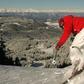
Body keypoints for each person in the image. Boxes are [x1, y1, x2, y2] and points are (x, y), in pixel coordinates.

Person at [55, 15, 84, 80]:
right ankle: (81, 63)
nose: (63, 28)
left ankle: (78, 65)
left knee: (74, 47)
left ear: (62, 24)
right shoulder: (71, 21)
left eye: (62, 27)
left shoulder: (67, 21)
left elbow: (66, 34)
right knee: (81, 47)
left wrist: (58, 45)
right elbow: (77, 28)